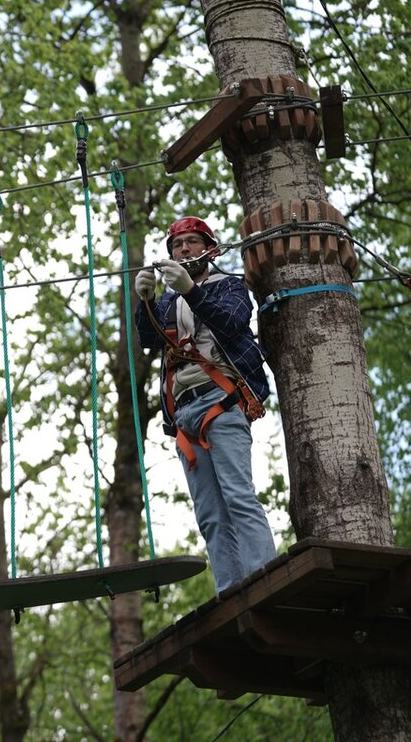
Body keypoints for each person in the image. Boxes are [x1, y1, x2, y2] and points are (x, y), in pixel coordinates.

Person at [134, 216, 277, 594]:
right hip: (185, 415)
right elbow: (149, 338)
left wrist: (192, 292)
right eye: (178, 246)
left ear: (209, 249)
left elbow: (232, 322)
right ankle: (230, 590)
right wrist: (145, 300)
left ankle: (264, 576)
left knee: (238, 496)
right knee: (211, 515)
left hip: (222, 401)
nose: (184, 250)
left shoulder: (228, 287)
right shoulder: (169, 302)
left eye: (193, 242)